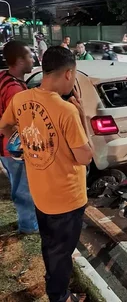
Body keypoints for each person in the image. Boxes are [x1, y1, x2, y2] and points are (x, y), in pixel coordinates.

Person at [0, 46, 93, 302]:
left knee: (50, 246)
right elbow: (85, 157)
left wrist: (22, 148)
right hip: (67, 199)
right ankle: (59, 296)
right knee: (61, 253)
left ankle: (55, 285)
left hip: (41, 195)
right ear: (68, 74)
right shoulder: (67, 111)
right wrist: (83, 114)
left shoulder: (21, 98)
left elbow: (5, 126)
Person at [0, 40, 38, 234]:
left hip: (4, 147)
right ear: (20, 61)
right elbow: (12, 124)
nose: (33, 59)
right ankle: (29, 226)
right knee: (24, 188)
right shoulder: (15, 90)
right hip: (12, 148)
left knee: (19, 184)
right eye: (30, 56)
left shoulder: (3, 77)